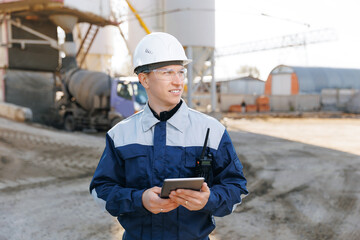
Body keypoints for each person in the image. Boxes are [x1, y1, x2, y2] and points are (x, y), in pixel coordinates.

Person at [89, 32, 248, 240]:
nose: (177, 81)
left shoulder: (211, 131)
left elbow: (236, 187)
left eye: (180, 72)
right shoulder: (120, 135)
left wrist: (210, 199)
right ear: (144, 79)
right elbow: (101, 190)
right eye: (167, 73)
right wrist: (140, 200)